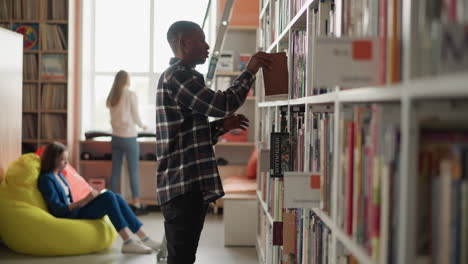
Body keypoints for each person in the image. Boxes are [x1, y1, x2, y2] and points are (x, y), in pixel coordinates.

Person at [155, 20, 272, 264]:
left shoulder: (182, 76)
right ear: (184, 43)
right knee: (181, 258)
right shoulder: (178, 76)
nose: (207, 46)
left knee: (184, 256)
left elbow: (189, 136)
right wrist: (249, 71)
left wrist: (221, 126)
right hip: (183, 183)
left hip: (188, 183)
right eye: (201, 40)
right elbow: (222, 104)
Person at [37, 142, 161, 254]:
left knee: (115, 196)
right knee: (108, 197)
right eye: (62, 160)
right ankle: (127, 241)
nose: (66, 163)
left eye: (66, 159)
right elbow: (58, 210)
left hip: (77, 210)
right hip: (69, 215)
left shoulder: (60, 175)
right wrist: (84, 201)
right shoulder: (46, 179)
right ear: (52, 159)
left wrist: (88, 198)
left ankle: (144, 238)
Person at [106, 70, 147, 215]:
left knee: (115, 171)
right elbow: (135, 116)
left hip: (116, 137)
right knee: (133, 171)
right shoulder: (130, 94)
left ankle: (113, 203)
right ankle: (136, 204)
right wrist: (143, 126)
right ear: (126, 80)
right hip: (129, 137)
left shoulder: (112, 96)